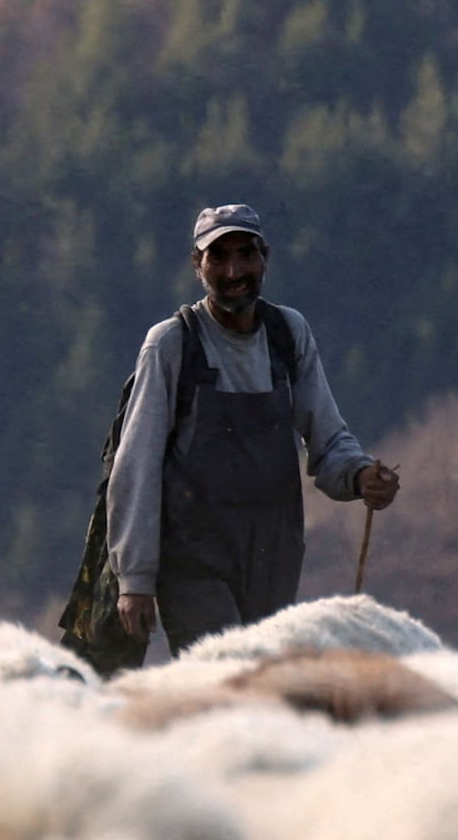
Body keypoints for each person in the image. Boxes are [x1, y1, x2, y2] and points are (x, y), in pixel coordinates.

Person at [106, 203, 403, 659]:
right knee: (225, 676)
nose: (233, 271)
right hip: (194, 563)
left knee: (264, 686)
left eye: (246, 255)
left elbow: (326, 440)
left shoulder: (288, 334)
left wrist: (361, 476)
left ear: (265, 258)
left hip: (273, 559)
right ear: (196, 264)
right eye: (217, 257)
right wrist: (136, 579)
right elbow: (136, 467)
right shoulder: (171, 344)